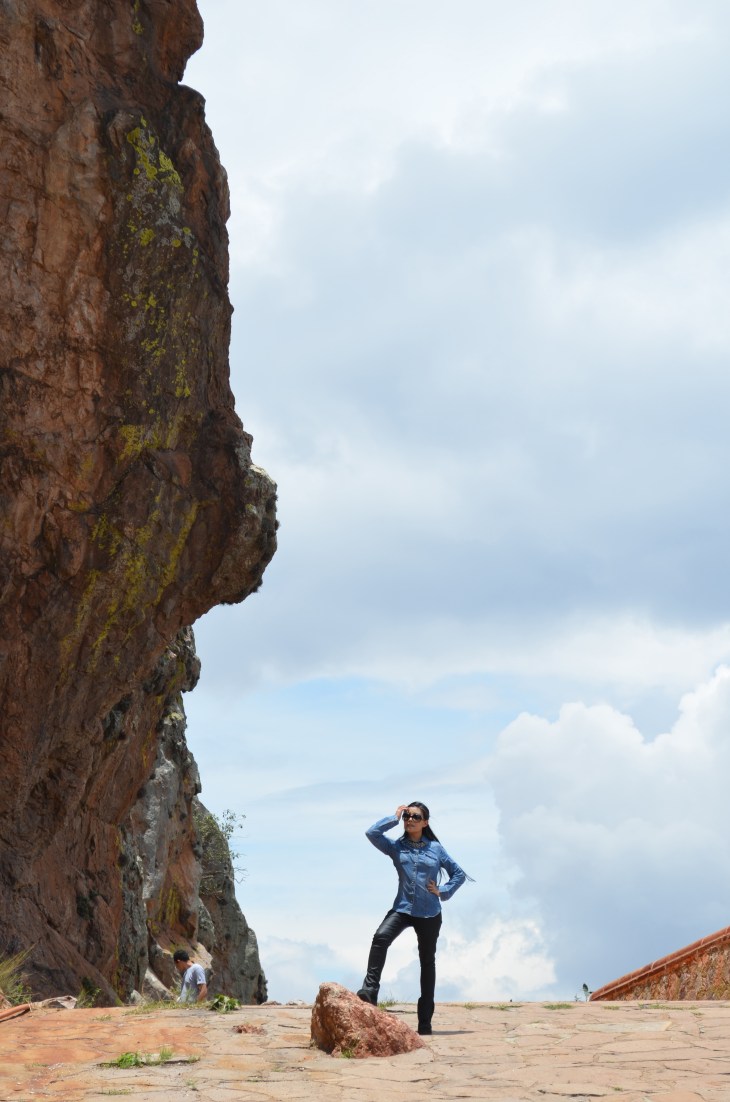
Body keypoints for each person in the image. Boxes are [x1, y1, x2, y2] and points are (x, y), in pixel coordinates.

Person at [357, 802, 471, 1035]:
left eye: (415, 817)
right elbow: (372, 833)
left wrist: (443, 891)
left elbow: (458, 874)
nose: (410, 820)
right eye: (407, 816)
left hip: (429, 912)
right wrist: (394, 817)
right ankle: (369, 993)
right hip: (402, 908)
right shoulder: (396, 847)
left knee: (427, 962)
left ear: (425, 822)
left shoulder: (436, 849)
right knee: (380, 938)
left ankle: (425, 1021)